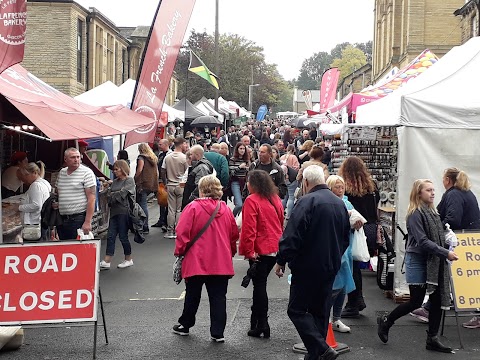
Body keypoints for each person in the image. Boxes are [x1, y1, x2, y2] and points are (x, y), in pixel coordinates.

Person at [274, 165, 350, 360]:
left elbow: (292, 236)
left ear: (305, 182)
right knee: (320, 312)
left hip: (307, 266)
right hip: (330, 265)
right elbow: (344, 239)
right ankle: (316, 354)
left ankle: (322, 349)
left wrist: (281, 260)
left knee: (297, 310)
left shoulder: (306, 201)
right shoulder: (339, 203)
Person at [377, 179, 458, 353]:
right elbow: (422, 241)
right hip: (418, 260)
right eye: (428, 190)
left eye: (433, 190)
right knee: (415, 301)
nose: (433, 193)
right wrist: (445, 252)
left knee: (436, 300)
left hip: (432, 260)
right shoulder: (415, 214)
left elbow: (436, 235)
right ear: (418, 193)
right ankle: (387, 321)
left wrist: (447, 237)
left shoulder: (433, 212)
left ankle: (432, 339)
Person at [410, 168, 480, 328]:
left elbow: (452, 219)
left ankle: (429, 309)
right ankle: (429, 309)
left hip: (460, 242)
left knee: (453, 276)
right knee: (468, 277)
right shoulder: (465, 192)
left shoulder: (454, 194)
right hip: (470, 240)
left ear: (447, 180)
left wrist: (436, 230)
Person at [172, 175, 239, 342]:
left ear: (202, 190)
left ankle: (185, 325)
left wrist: (180, 252)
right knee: (218, 297)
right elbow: (233, 234)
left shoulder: (193, 207)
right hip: (220, 260)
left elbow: (182, 232)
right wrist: (230, 252)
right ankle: (218, 332)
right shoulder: (224, 208)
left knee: (192, 294)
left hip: (196, 259)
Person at [239, 170, 284, 338]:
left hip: (260, 249)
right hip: (274, 247)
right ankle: (259, 323)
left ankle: (261, 324)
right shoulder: (275, 199)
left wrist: (249, 251)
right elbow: (280, 222)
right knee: (260, 284)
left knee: (259, 286)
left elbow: (249, 229)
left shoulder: (252, 200)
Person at [338, 156, 379, 318]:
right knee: (356, 266)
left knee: (352, 267)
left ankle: (353, 302)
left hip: (355, 229)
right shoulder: (372, 186)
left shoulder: (346, 188)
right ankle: (357, 300)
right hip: (370, 228)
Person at [326, 175, 358, 333]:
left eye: (342, 186)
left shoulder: (348, 202)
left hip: (347, 249)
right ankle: (326, 318)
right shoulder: (328, 204)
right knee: (334, 285)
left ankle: (336, 318)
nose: (340, 190)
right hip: (334, 250)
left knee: (343, 284)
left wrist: (356, 223)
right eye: (336, 187)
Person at [100, 160, 136, 269]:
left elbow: (123, 194)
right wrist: (110, 192)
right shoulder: (115, 182)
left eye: (117, 169)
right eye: (114, 169)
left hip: (124, 212)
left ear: (123, 169)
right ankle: (107, 260)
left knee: (123, 236)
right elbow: (107, 195)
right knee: (110, 236)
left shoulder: (129, 180)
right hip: (114, 212)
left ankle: (128, 258)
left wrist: (112, 195)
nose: (115, 171)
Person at [56, 148, 96, 240]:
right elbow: (58, 192)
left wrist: (87, 221)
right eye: (73, 157)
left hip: (78, 218)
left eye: (78, 157)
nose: (76, 159)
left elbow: (91, 198)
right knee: (64, 248)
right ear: (65, 159)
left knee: (77, 248)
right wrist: (57, 203)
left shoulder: (87, 173)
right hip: (62, 218)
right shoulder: (62, 173)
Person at [162, 137, 189, 239]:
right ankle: (178, 229)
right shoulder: (184, 158)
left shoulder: (167, 157)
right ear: (181, 144)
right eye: (185, 144)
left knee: (171, 209)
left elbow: (163, 171)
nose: (186, 146)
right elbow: (188, 172)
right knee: (179, 209)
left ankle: (170, 230)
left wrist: (165, 182)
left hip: (170, 184)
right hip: (181, 185)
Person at [18, 161, 51, 240]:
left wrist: (19, 207)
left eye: (27, 175)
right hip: (42, 221)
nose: (25, 178)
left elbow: (36, 205)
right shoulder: (44, 182)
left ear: (34, 173)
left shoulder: (35, 185)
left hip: (34, 223)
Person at [134, 143, 159, 234]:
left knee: (142, 204)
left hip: (143, 183)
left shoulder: (141, 158)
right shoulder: (153, 158)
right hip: (151, 184)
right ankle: (144, 225)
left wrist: (135, 178)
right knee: (144, 204)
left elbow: (140, 170)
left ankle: (144, 225)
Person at [182, 145, 214, 209]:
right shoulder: (199, 166)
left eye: (191, 154)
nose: (190, 156)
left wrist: (190, 199)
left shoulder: (201, 167)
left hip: (196, 204)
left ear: (197, 155)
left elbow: (200, 186)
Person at [152, 139, 172, 230]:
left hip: (167, 180)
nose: (159, 146)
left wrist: (165, 181)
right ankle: (161, 219)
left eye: (160, 144)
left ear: (165, 144)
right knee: (161, 200)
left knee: (166, 201)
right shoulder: (160, 154)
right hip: (160, 180)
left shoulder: (170, 155)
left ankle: (165, 221)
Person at [228, 142, 251, 216]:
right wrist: (239, 167)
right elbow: (231, 173)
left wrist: (248, 169)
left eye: (243, 149)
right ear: (237, 150)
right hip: (236, 182)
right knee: (239, 204)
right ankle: (231, 217)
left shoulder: (247, 160)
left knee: (245, 204)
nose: (242, 150)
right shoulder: (232, 160)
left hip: (245, 183)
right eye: (240, 148)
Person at [279, 144, 300, 220]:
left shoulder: (282, 157)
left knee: (284, 197)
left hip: (284, 179)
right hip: (291, 178)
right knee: (291, 197)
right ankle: (288, 215)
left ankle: (280, 213)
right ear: (294, 150)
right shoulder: (293, 157)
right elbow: (296, 167)